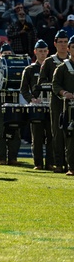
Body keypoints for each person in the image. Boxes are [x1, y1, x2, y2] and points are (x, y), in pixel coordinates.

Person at [20, 39, 53, 170]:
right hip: (36, 106)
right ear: (35, 52)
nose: (43, 53)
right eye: (40, 51)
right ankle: (38, 163)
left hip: (51, 105)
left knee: (51, 135)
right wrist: (31, 99)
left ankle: (50, 163)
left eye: (45, 51)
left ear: (48, 52)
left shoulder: (53, 67)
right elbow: (23, 89)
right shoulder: (29, 69)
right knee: (37, 136)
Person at [0, 43, 22, 165]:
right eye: (4, 54)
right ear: (0, 55)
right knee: (0, 130)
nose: (7, 56)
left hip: (14, 100)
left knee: (15, 129)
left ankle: (13, 157)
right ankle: (1, 158)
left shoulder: (19, 68)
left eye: (9, 54)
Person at [42, 32, 71, 173]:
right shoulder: (49, 62)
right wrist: (60, 91)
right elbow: (41, 83)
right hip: (57, 101)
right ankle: (58, 163)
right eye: (60, 42)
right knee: (58, 133)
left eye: (66, 42)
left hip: (72, 103)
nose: (63, 45)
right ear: (55, 43)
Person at [50, 41, 74, 175]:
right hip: (68, 107)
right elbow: (55, 85)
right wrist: (65, 93)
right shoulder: (62, 67)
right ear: (69, 49)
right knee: (69, 136)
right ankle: (71, 166)